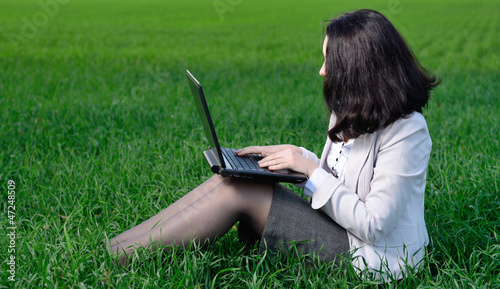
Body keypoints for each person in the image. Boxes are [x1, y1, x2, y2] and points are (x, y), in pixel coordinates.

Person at [107, 9, 440, 281]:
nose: (322, 71)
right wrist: (295, 156)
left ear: (358, 70)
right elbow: (338, 177)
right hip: (341, 228)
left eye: (330, 62)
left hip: (371, 259)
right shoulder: (352, 109)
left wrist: (309, 170)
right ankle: (120, 247)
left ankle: (120, 259)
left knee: (237, 192)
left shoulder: (408, 132)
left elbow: (373, 224)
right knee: (233, 178)